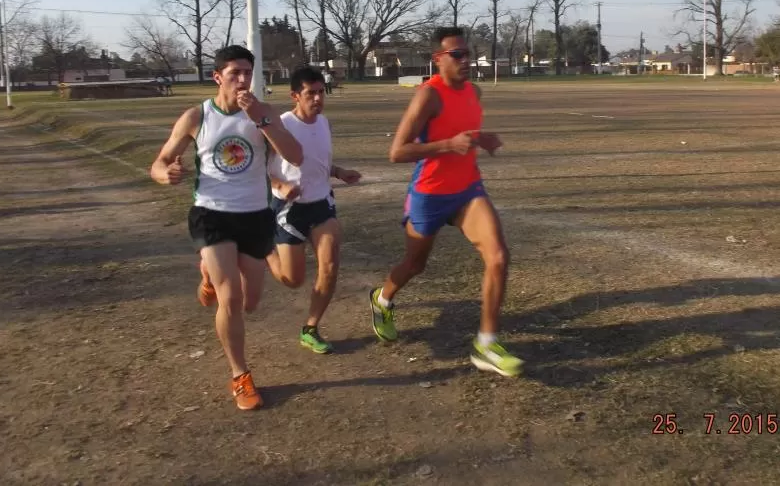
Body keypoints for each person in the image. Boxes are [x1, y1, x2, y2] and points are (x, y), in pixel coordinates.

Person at [150, 45, 304, 410]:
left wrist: (261, 120)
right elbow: (159, 161)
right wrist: (164, 174)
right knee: (230, 297)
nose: (241, 79)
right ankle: (240, 375)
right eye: (234, 73)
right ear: (217, 76)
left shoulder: (263, 113)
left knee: (250, 303)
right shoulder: (197, 117)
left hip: (255, 215)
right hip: (212, 213)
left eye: (247, 73)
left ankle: (207, 276)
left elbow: (295, 157)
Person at [368, 26, 523, 377]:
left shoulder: (475, 91)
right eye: (457, 55)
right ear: (437, 59)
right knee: (414, 265)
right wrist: (446, 146)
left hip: (468, 189)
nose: (466, 60)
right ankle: (382, 299)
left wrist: (484, 139)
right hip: (430, 193)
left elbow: (465, 131)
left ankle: (486, 344)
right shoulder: (428, 96)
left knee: (498, 256)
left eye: (468, 53)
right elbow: (397, 152)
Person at [266, 65, 361, 353]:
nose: (318, 99)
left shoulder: (324, 123)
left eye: (321, 92)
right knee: (292, 280)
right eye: (311, 93)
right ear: (295, 95)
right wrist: (280, 186)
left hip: (322, 203)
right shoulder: (279, 124)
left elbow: (318, 163)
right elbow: (257, 168)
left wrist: (339, 171)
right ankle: (265, 250)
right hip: (288, 209)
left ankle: (311, 327)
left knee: (329, 266)